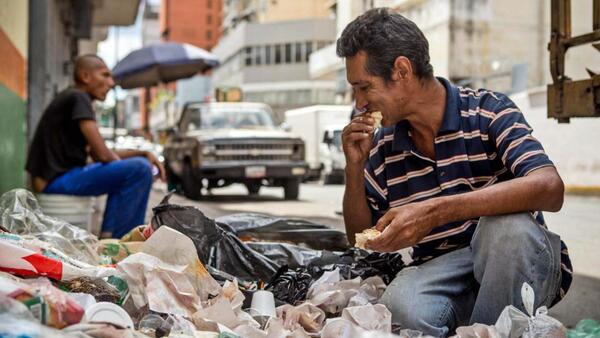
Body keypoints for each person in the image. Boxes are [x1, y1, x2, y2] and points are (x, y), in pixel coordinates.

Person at [337, 8, 571, 336]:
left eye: (364, 87)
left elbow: (549, 187)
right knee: (400, 306)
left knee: (509, 231)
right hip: (443, 274)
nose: (359, 103)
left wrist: (436, 211)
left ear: (401, 70)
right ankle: (486, 326)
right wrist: (354, 167)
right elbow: (359, 237)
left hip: (517, 264)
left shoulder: (487, 111)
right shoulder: (382, 144)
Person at [26, 54, 166, 239]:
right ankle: (122, 242)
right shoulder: (79, 97)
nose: (111, 82)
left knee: (134, 167)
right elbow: (104, 154)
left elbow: (99, 153)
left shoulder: (73, 99)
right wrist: (129, 164)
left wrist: (142, 152)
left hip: (58, 179)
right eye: (105, 75)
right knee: (139, 170)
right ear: (85, 77)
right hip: (54, 182)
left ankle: (111, 238)